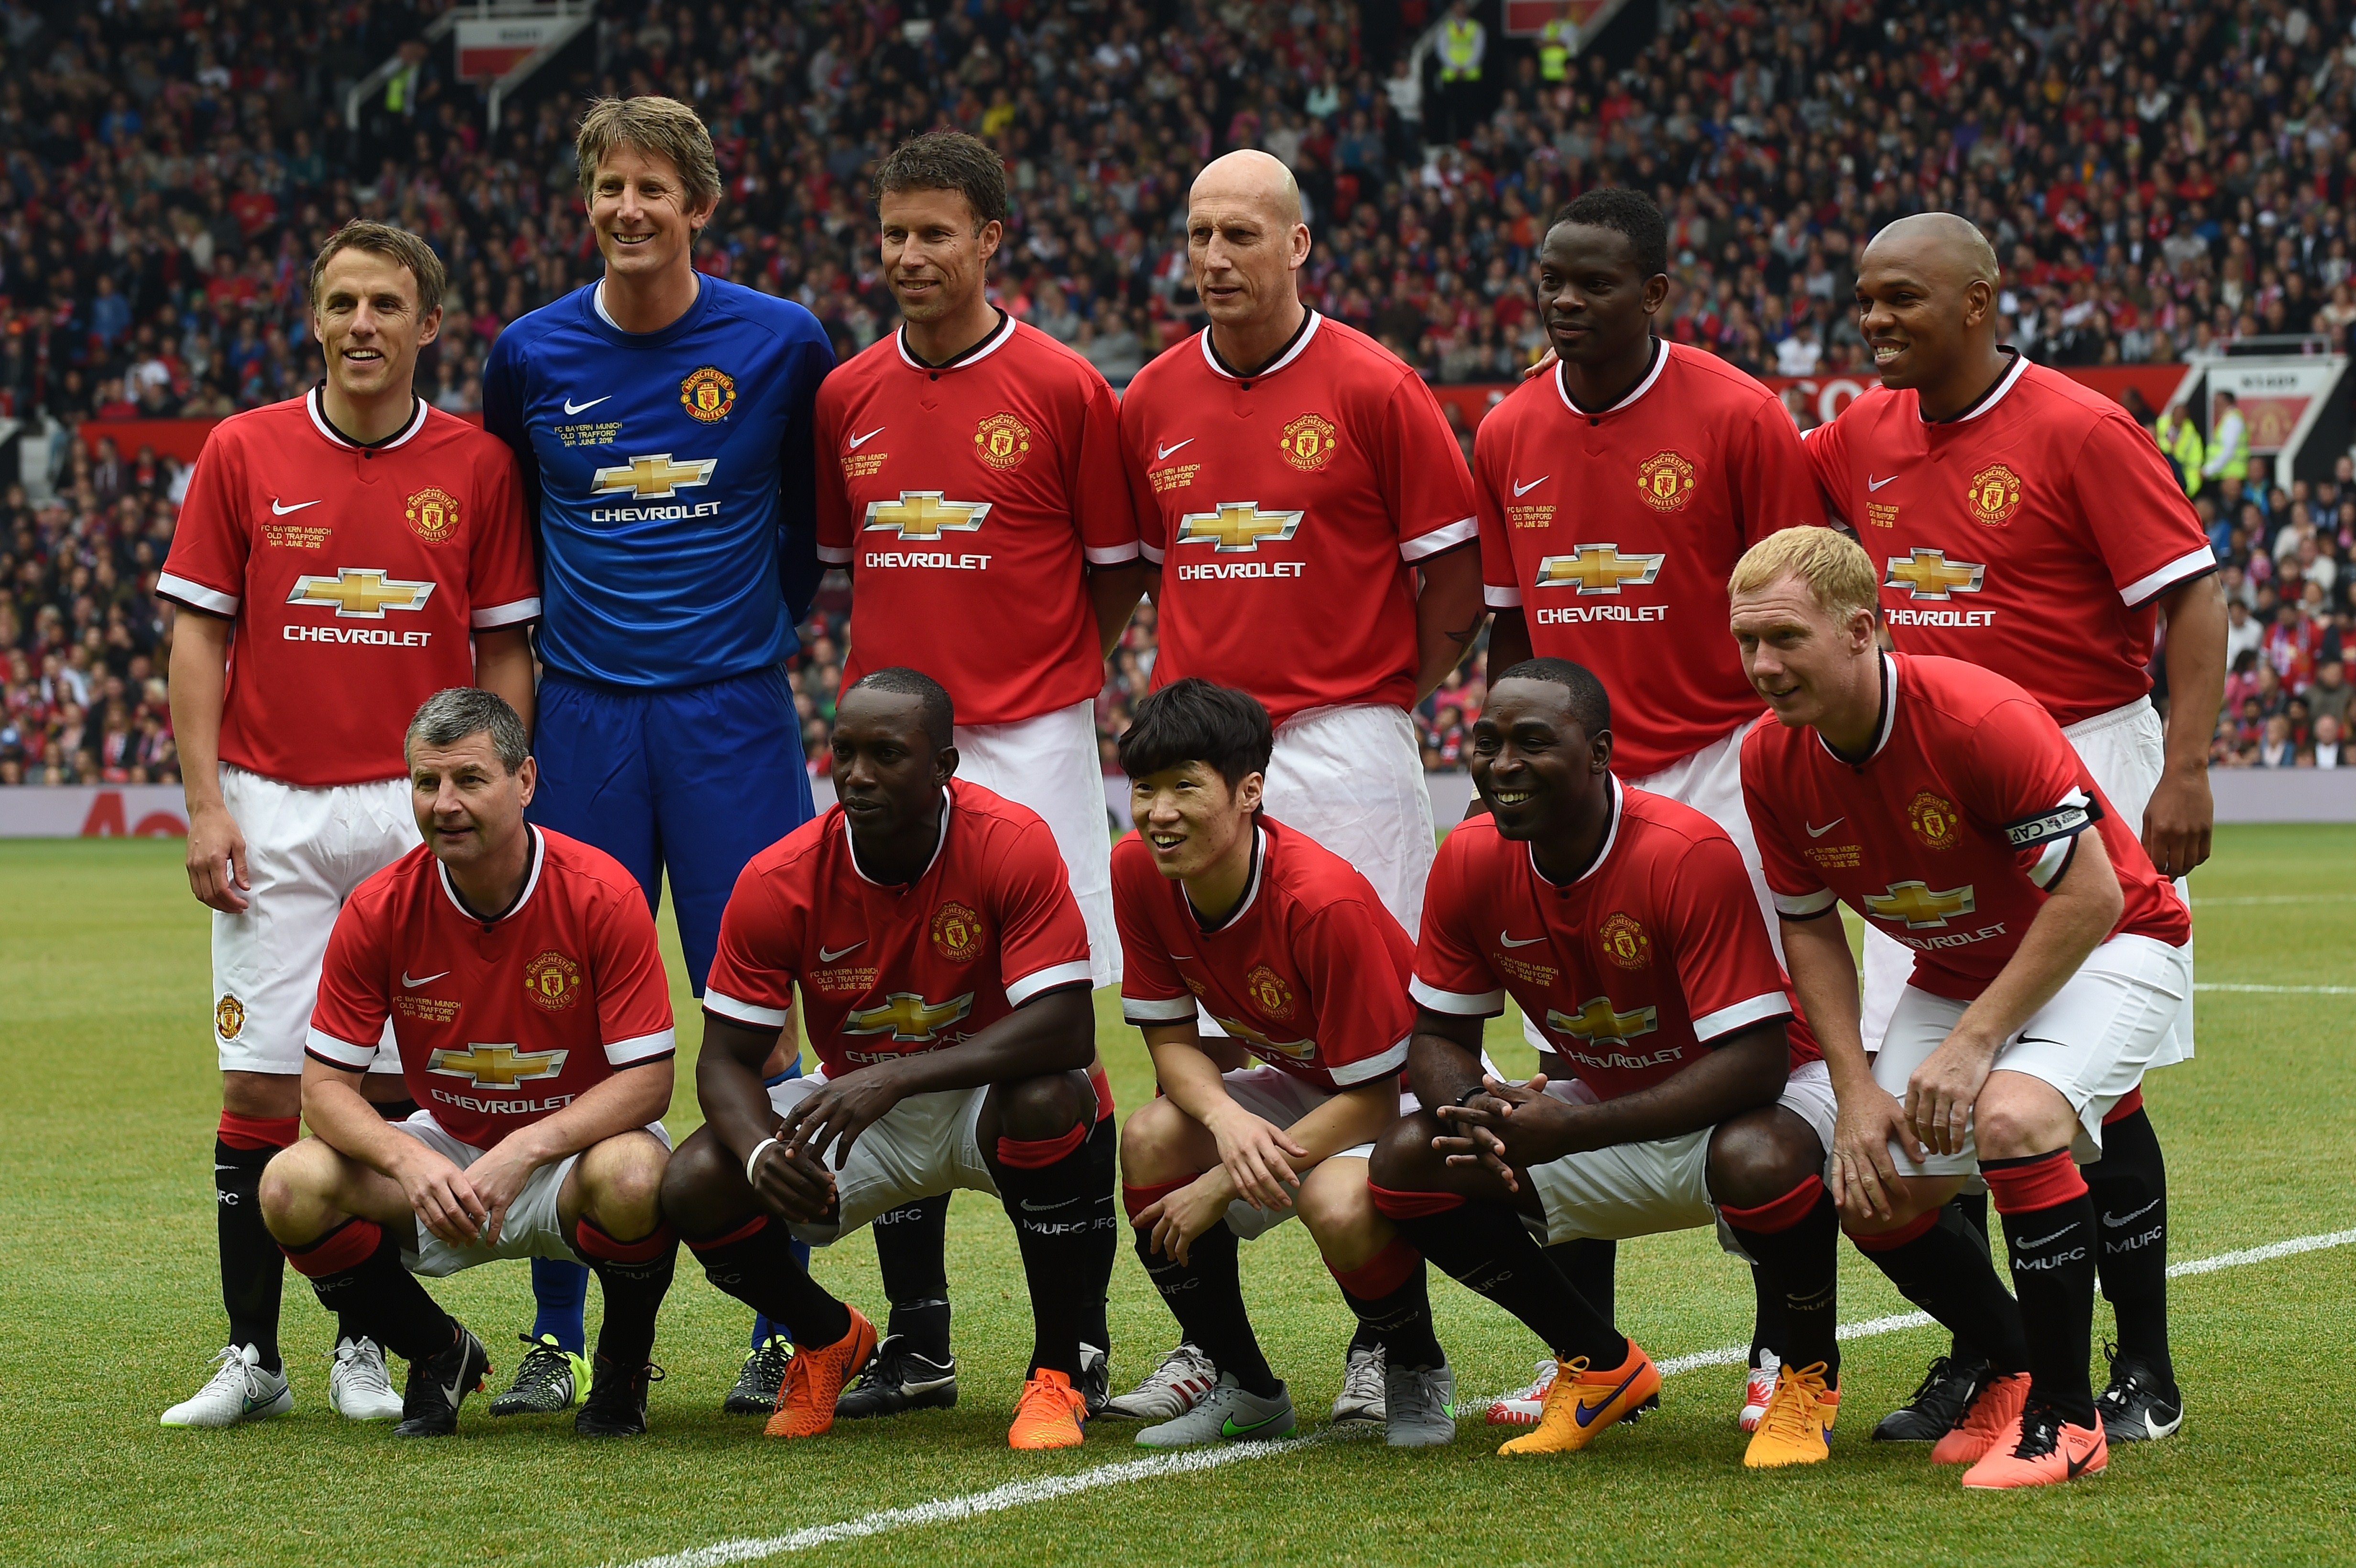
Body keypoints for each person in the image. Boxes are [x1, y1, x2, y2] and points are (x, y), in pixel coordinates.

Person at [1804, 212, 2222, 1447]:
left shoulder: (2084, 427)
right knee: (1929, 1084)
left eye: (1901, 300)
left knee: (2105, 1093)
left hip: (2081, 754)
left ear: (1981, 302)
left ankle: (2140, 1363)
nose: (1874, 320)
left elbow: (2194, 596)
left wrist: (2186, 766)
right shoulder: (1855, 438)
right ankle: (1989, 1358)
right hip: (1920, 780)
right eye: (1864, 299)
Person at [1111, 147, 1483, 1422]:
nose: (1214, 260)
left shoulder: (1378, 385)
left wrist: (1389, 692)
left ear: (1298, 246)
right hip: (1203, 757)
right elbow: (1150, 567)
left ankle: (1393, 1343)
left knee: (1364, 1043)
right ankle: (1224, 1353)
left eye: (1241, 236)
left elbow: (1453, 580)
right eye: (1199, 234)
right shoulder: (1149, 397)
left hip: (1343, 743)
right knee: (1202, 1058)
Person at [481, 95, 834, 1416]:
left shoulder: (782, 342)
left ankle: (781, 1319)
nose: (629, 210)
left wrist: (739, 641)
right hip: (580, 720)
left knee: (761, 1020)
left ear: (701, 200)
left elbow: (807, 533)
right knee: (572, 1020)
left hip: (732, 715)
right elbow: (510, 537)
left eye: (652, 188)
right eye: (608, 188)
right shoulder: (527, 354)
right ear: (587, 203)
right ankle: (559, 1329)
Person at [155, 222, 540, 1428]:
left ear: (431, 324)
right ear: (313, 319)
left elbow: (504, 654)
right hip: (270, 797)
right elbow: (199, 636)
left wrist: (491, 790)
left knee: (375, 1091)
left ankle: (361, 1348)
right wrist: (208, 799)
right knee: (264, 1083)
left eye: (386, 304)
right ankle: (250, 1352)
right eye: (341, 303)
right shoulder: (243, 449)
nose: (362, 324)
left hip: (409, 802)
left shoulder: (476, 465)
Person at [1731, 528, 2192, 1489]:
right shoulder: (1768, 758)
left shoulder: (1977, 717)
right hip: (1957, 967)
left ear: (1860, 630)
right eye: (1746, 643)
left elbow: (2093, 896)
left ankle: (2069, 1421)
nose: (1762, 667)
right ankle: (2014, 1365)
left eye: (1783, 638)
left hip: (2113, 943)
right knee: (1872, 1182)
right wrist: (1855, 1089)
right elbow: (1810, 927)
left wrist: (1977, 1040)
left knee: (2012, 1115)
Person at [1476, 186, 1829, 1431]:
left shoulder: (1740, 415)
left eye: (1595, 284)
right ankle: (1588, 1355)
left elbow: (1799, 609)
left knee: (1763, 1065)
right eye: (1551, 282)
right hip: (1578, 788)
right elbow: (1509, 624)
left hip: (1726, 766)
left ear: (1658, 294)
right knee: (1572, 1040)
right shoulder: (1508, 427)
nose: (1567, 303)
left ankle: (1783, 1349)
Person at [811, 130, 1144, 1422]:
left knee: (1061, 1030)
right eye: (893, 232)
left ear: (992, 237)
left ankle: (1086, 1339)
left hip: (1033, 739)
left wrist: (1045, 669)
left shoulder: (1065, 388)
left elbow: (1116, 564)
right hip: (888, 753)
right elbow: (849, 566)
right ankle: (921, 1335)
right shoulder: (846, 397)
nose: (909, 255)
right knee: (888, 1014)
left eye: (935, 232)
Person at [1365, 659, 1843, 1469]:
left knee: (1758, 1158)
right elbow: (1438, 1035)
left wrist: (1577, 1127)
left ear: (1599, 754)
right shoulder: (1472, 857)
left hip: (1765, 1103)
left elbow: (1758, 1062)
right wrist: (1466, 1113)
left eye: (1533, 742)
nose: (1503, 764)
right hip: (1612, 1107)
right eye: (1488, 742)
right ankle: (1598, 1363)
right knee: (1411, 1161)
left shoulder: (1684, 850)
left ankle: (1805, 1377)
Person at [659, 669, 1108, 1451]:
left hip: (987, 1097)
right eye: (845, 752)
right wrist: (762, 1150)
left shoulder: (1009, 841)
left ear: (945, 766)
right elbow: (724, 1062)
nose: (857, 775)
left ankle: (1059, 1375)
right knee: (696, 1183)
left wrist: (897, 1074)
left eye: (887, 755)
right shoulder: (779, 879)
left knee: (1048, 1098)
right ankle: (828, 1337)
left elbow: (1068, 1028)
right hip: (863, 1110)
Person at [259, 688, 680, 1438]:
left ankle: (621, 1369)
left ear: (525, 782)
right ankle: (438, 1353)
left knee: (637, 1177)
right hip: (447, 1152)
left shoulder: (602, 893)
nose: (444, 804)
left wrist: (526, 1150)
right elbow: (323, 1090)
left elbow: (649, 1082)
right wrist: (406, 1160)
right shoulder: (379, 907)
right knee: (291, 1186)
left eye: (469, 780)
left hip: (570, 1158)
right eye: (427, 782)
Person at [1112, 678, 1453, 1448]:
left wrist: (1223, 1179)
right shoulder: (1139, 871)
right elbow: (1170, 1040)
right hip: (1302, 1084)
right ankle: (1247, 1386)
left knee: (1336, 1202)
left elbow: (1370, 1099)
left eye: (1185, 788)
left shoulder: (1321, 900)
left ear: (1249, 791)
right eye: (1145, 789)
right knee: (1151, 1137)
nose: (1159, 813)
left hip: (1402, 1096)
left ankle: (1414, 1363)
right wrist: (1227, 1121)